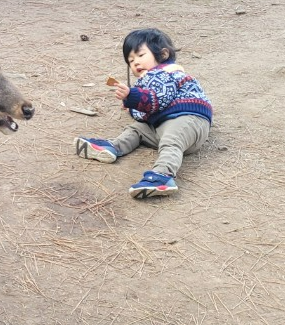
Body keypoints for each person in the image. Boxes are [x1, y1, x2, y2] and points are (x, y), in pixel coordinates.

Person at [74, 28, 212, 199]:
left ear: (162, 54)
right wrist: (132, 105)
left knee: (171, 139)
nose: (135, 63)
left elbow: (158, 98)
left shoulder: (168, 72)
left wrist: (132, 97)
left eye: (140, 55)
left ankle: (163, 175)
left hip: (188, 119)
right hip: (160, 125)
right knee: (137, 129)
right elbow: (144, 113)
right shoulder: (147, 81)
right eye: (130, 60)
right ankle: (114, 147)